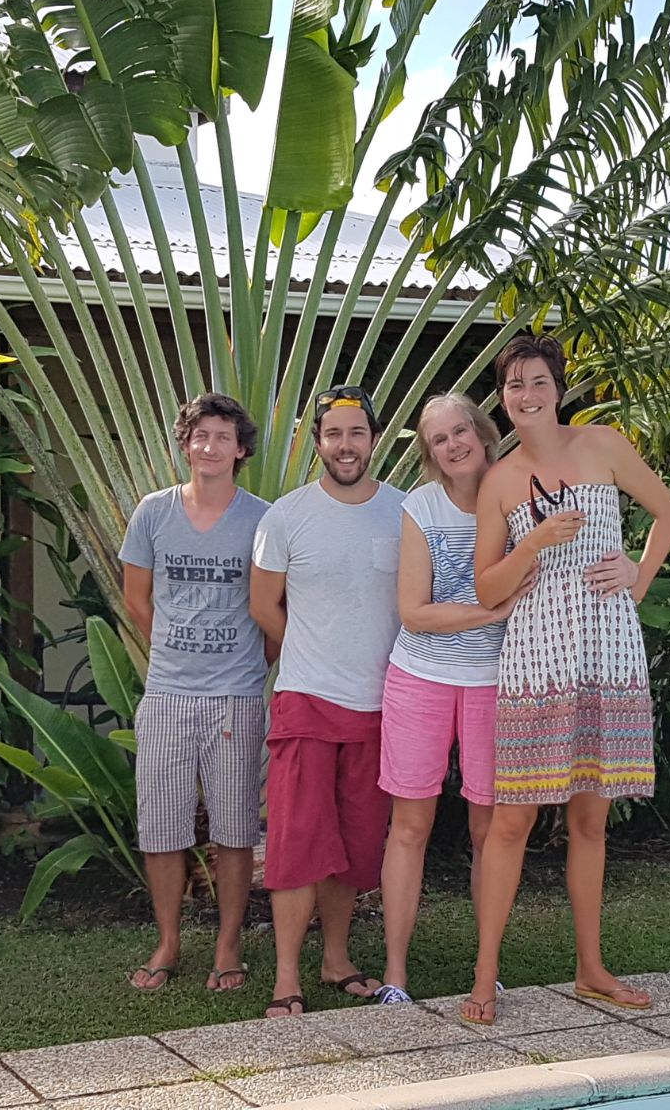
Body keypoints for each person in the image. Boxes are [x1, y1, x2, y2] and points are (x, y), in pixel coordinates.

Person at [375, 393, 640, 1005]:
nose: (454, 444)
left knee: (490, 826)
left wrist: (629, 569)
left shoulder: (523, 490)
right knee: (410, 826)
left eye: (461, 430)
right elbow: (413, 614)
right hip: (422, 677)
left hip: (503, 678)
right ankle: (395, 974)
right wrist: (489, 611)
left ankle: (484, 968)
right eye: (439, 439)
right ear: (430, 453)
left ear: (482, 431)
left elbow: (592, 548)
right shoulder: (422, 507)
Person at [462, 334, 670, 1025]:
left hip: (606, 645)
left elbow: (668, 512)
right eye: (512, 387)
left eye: (537, 383)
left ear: (558, 389)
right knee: (511, 821)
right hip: (535, 656)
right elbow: (485, 589)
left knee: (591, 819)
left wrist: (637, 579)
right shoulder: (499, 480)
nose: (525, 397)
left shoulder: (604, 446)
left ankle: (591, 969)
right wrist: (532, 541)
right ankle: (483, 978)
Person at [249, 386, 405, 1018]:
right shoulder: (285, 516)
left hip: (381, 707)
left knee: (356, 842)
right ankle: (286, 976)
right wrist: (312, 651)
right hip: (306, 702)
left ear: (374, 439)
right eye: (334, 434)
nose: (346, 445)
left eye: (357, 433)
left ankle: (337, 959)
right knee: (295, 841)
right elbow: (265, 605)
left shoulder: (404, 512)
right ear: (317, 442)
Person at [119, 392, 271, 994]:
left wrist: (242, 662)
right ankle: (168, 943)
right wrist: (175, 653)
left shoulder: (262, 519)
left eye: (222, 437)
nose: (209, 446)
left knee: (234, 829)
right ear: (186, 444)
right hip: (167, 696)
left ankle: (228, 947)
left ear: (240, 450)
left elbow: (273, 607)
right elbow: (137, 598)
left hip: (236, 696)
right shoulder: (154, 513)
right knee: (162, 827)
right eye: (199, 435)